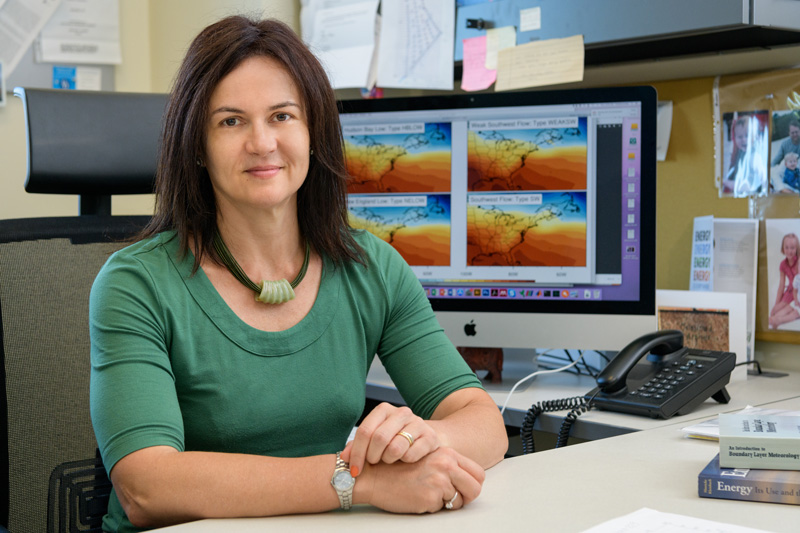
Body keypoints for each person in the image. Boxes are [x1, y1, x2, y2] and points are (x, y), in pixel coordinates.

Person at [89, 16, 507, 532]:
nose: (263, 143)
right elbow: (146, 487)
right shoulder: (136, 284)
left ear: (314, 133)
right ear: (196, 146)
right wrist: (359, 481)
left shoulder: (370, 267)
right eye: (231, 121)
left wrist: (417, 441)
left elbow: (484, 422)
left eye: (282, 116)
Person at [722, 115, 765, 196]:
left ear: (754, 136)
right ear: (735, 138)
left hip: (751, 187)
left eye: (747, 136)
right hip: (743, 181)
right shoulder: (741, 151)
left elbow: (761, 173)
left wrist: (764, 187)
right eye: (740, 137)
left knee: (740, 185)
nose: (744, 139)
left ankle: (725, 182)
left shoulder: (755, 156)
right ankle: (727, 182)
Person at [769, 233, 800, 329]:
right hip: (790, 292)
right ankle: (775, 319)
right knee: (774, 311)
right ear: (783, 248)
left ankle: (780, 319)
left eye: (792, 248)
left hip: (797, 292)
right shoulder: (783, 264)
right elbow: (781, 285)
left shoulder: (799, 261)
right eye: (786, 247)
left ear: (797, 249)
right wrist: (776, 305)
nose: (789, 251)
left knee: (787, 309)